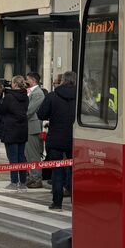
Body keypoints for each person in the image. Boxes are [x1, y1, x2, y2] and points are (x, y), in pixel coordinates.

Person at [38, 71, 77, 210]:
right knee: (74, 170)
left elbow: (41, 114)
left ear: (63, 81)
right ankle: (76, 202)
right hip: (75, 138)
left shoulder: (52, 96)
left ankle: (57, 202)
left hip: (56, 139)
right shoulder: (80, 97)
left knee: (57, 171)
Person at [0, 76, 30, 190]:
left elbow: (2, 110)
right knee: (21, 156)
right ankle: (23, 182)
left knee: (12, 157)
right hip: (22, 129)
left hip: (11, 129)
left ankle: (13, 181)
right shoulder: (25, 96)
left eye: (12, 83)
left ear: (15, 84)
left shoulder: (9, 97)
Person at [25, 72, 46, 188]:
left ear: (32, 80)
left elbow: (29, 110)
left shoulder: (38, 93)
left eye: (27, 79)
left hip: (33, 127)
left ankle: (36, 178)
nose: (25, 81)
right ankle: (32, 176)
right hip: (28, 126)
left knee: (33, 155)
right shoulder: (31, 92)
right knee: (29, 154)